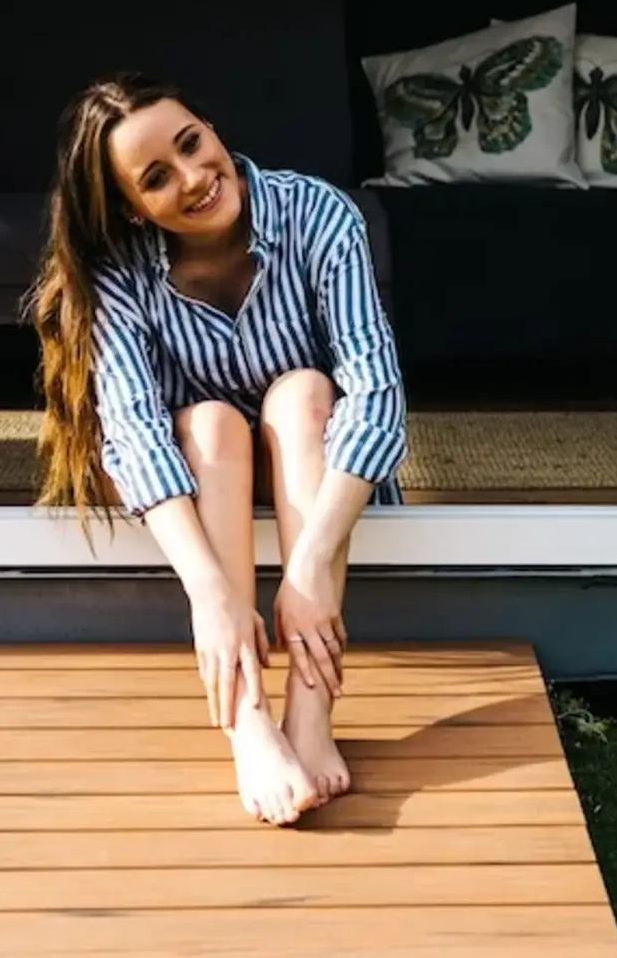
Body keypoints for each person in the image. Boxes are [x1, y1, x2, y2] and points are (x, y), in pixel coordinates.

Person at [29, 73, 407, 825]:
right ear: (132, 208)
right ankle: (250, 722)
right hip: (210, 490)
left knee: (301, 390)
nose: (196, 178)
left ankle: (309, 712)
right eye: (158, 178)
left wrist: (304, 566)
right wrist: (212, 596)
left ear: (210, 124)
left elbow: (378, 394)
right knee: (208, 423)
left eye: (192, 143)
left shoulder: (318, 213)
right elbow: (134, 431)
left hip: (323, 488)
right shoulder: (121, 273)